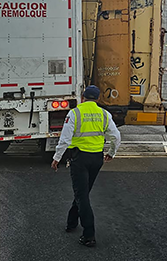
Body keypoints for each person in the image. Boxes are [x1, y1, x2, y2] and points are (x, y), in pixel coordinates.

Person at [51, 85, 121, 247]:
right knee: (83, 192)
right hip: (97, 159)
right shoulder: (104, 114)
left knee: (82, 195)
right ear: (97, 99)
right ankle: (72, 222)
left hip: (79, 158)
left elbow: (65, 139)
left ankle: (89, 235)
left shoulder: (75, 113)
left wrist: (56, 158)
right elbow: (116, 136)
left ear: (83, 97)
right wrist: (111, 153)